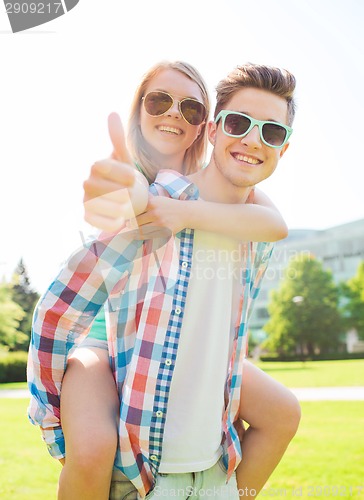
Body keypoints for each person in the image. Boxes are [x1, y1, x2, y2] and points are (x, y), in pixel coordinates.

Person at [27, 62, 301, 500]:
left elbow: (274, 225)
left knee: (284, 412)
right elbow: (133, 200)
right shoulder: (158, 201)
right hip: (106, 342)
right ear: (214, 131)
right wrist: (123, 191)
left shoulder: (251, 222)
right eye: (239, 123)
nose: (253, 138)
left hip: (209, 464)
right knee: (93, 447)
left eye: (272, 132)